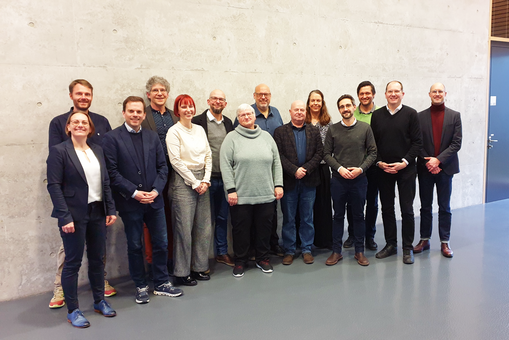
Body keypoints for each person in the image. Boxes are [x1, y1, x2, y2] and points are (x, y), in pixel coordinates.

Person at [102, 96, 182, 304]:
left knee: (161, 243)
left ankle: (162, 282)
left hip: (154, 201)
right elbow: (112, 172)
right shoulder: (112, 138)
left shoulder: (152, 137)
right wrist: (134, 193)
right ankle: (140, 285)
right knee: (135, 245)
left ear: (144, 114)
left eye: (139, 112)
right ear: (124, 113)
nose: (135, 115)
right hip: (130, 203)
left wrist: (156, 190)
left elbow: (163, 167)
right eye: (131, 111)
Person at [47, 79, 115, 309]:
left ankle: (99, 300)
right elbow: (55, 182)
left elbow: (105, 176)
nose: (83, 97)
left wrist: (110, 208)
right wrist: (64, 215)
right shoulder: (58, 135)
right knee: (71, 259)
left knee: (97, 258)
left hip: (97, 209)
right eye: (79, 94)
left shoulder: (98, 139)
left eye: (87, 93)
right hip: (73, 210)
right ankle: (71, 305)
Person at [221, 104, 284, 277]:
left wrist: (278, 184)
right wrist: (231, 190)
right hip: (240, 195)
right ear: (238, 118)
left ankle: (262, 258)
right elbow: (225, 165)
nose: (247, 117)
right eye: (242, 115)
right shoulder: (231, 138)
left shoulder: (266, 137)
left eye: (249, 113)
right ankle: (240, 260)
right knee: (241, 230)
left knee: (264, 229)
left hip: (266, 194)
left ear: (254, 116)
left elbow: (276, 162)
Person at [370, 81, 423, 264]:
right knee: (387, 209)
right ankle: (391, 244)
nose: (393, 94)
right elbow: (373, 144)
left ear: (403, 93)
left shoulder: (411, 114)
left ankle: (407, 248)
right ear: (385, 94)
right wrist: (379, 163)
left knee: (407, 209)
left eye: (397, 91)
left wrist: (404, 162)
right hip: (384, 170)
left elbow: (417, 143)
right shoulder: (377, 115)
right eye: (390, 91)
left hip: (406, 170)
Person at [323, 95, 377, 266]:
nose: (345, 109)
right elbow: (326, 154)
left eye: (348, 105)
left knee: (359, 216)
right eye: (341, 106)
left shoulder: (365, 128)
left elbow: (373, 152)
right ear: (339, 110)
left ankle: (359, 251)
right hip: (338, 181)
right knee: (338, 216)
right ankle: (336, 251)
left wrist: (360, 169)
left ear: (354, 107)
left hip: (359, 180)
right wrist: (340, 169)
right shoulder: (333, 130)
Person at [167, 94, 213, 286]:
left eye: (191, 106)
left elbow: (208, 155)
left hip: (203, 180)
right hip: (183, 182)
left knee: (203, 228)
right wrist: (194, 182)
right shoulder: (173, 132)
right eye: (184, 107)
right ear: (177, 110)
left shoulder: (200, 129)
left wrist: (206, 180)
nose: (188, 110)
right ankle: (181, 272)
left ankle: (199, 267)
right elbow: (175, 161)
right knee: (183, 230)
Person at [234, 84, 284, 256]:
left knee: (270, 214)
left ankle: (272, 245)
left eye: (266, 94)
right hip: (250, 175)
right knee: (252, 217)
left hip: (270, 170)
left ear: (270, 96)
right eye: (260, 94)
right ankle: (254, 250)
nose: (264, 97)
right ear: (254, 96)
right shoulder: (246, 113)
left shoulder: (276, 113)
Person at [414, 83, 462, 258]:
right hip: (426, 168)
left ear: (445, 93)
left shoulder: (454, 116)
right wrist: (429, 162)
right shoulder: (419, 117)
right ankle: (424, 239)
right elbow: (417, 143)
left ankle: (444, 242)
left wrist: (438, 161)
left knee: (445, 207)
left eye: (440, 91)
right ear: (429, 94)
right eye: (434, 91)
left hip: (445, 169)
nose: (437, 94)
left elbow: (456, 143)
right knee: (425, 206)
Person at [274, 100, 323, 265]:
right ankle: (289, 250)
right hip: (289, 182)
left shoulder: (314, 131)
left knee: (307, 217)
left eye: (302, 110)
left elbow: (319, 153)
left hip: (309, 181)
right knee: (288, 218)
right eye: (296, 110)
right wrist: (294, 170)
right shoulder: (280, 132)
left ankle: (307, 249)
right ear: (290, 111)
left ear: (306, 112)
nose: (300, 112)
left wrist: (306, 169)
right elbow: (278, 155)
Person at [192, 90, 235, 267]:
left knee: (222, 217)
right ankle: (199, 259)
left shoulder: (229, 123)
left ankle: (222, 252)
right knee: (203, 220)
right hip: (205, 180)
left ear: (225, 104)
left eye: (221, 99)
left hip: (225, 179)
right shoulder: (197, 122)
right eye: (215, 98)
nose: (218, 102)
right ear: (208, 101)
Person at [141, 76, 179, 276]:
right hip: (152, 176)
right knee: (152, 222)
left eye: (163, 90)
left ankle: (170, 261)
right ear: (148, 95)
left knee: (172, 219)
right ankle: (152, 264)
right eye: (155, 90)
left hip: (174, 175)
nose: (159, 93)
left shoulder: (174, 116)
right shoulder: (142, 115)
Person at [344, 81, 380, 251]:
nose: (364, 96)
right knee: (352, 202)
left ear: (373, 94)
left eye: (368, 93)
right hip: (354, 166)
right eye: (361, 94)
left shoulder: (380, 114)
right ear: (358, 96)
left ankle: (369, 236)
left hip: (373, 166)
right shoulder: (352, 113)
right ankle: (352, 234)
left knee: (372, 202)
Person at [305, 90, 333, 249]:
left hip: (322, 168)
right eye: (312, 100)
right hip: (307, 169)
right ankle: (306, 240)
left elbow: (329, 147)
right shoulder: (303, 121)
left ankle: (324, 240)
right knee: (307, 206)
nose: (315, 103)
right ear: (308, 103)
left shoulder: (328, 122)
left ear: (322, 103)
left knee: (323, 205)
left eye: (318, 100)